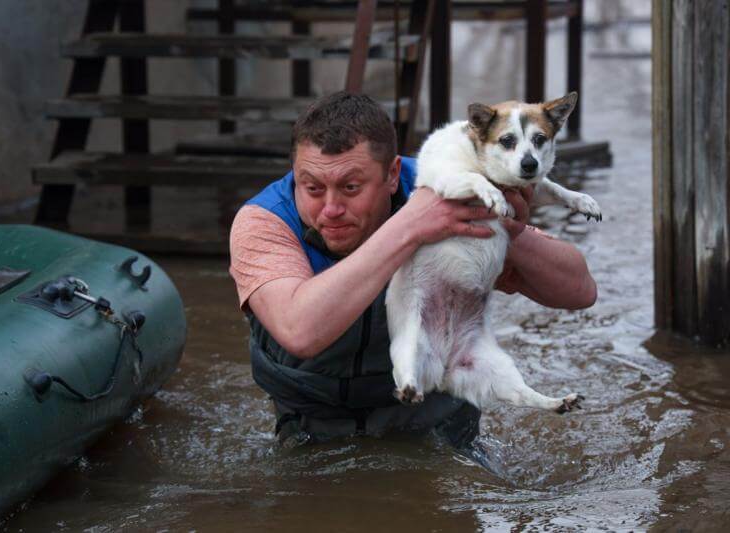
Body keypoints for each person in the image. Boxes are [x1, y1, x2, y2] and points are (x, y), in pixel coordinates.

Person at [229, 91, 597, 450]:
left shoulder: (448, 185)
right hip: (313, 422)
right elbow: (300, 330)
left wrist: (506, 229)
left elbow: (579, 291)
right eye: (311, 187)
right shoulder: (264, 221)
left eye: (351, 187)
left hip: (438, 419)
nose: (331, 208)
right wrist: (411, 226)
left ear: (392, 175)